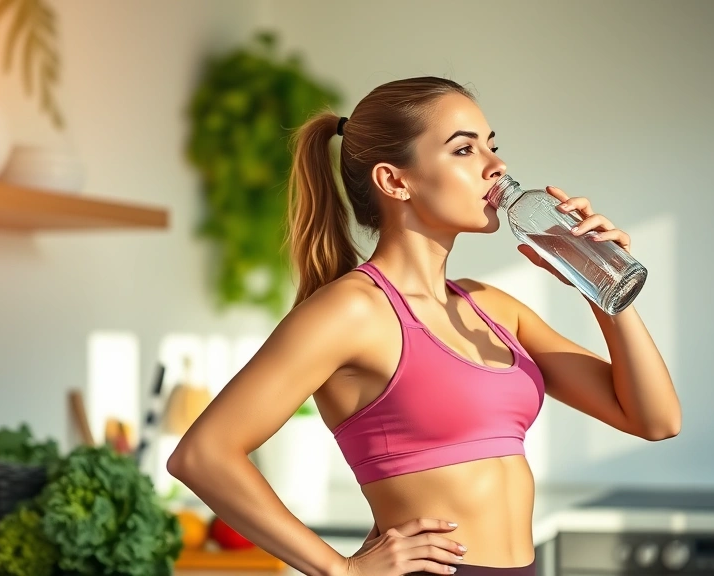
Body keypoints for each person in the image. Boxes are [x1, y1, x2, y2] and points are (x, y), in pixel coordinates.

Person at [167, 76, 681, 576]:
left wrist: (601, 278)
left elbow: (654, 421)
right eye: (464, 150)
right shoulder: (352, 311)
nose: (496, 166)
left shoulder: (493, 308)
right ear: (395, 180)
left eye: (491, 146)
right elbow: (204, 455)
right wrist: (340, 569)